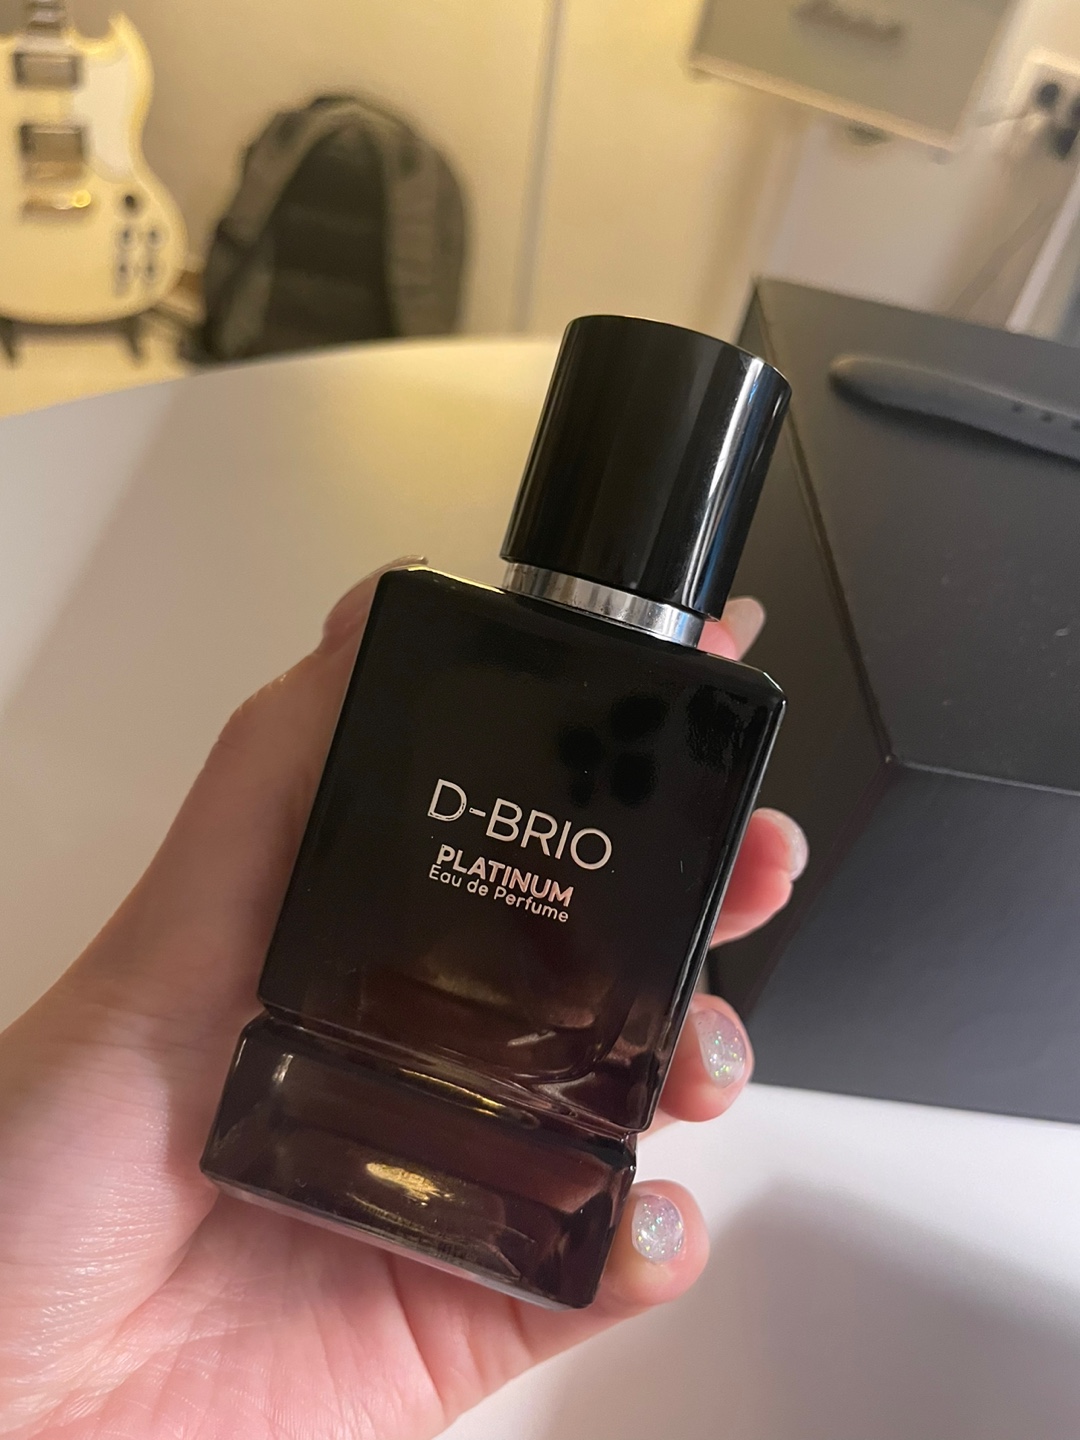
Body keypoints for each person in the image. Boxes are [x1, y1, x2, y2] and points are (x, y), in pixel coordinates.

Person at [0, 564, 807, 1440]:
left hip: (307, 1152)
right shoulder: (433, 633)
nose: (526, 835)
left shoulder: (696, 711)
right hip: (290, 1133)